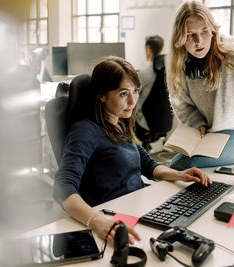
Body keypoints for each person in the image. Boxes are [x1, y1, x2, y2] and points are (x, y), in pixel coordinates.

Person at [53, 56, 211, 245]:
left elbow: (147, 164)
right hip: (114, 215)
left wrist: (179, 174)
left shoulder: (119, 123)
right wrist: (97, 222)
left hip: (137, 205)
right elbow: (63, 187)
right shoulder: (85, 131)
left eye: (135, 91)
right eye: (123, 94)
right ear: (102, 95)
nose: (132, 101)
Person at [167, 0, 234, 170]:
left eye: (204, 32)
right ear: (180, 37)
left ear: (213, 31)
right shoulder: (179, 65)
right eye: (191, 35)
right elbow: (182, 104)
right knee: (177, 166)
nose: (199, 41)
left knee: (180, 165)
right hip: (211, 135)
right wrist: (197, 123)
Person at [135, 35, 165, 145]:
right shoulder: (169, 72)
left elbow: (134, 97)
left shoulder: (143, 74)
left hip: (145, 123)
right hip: (164, 121)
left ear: (148, 50)